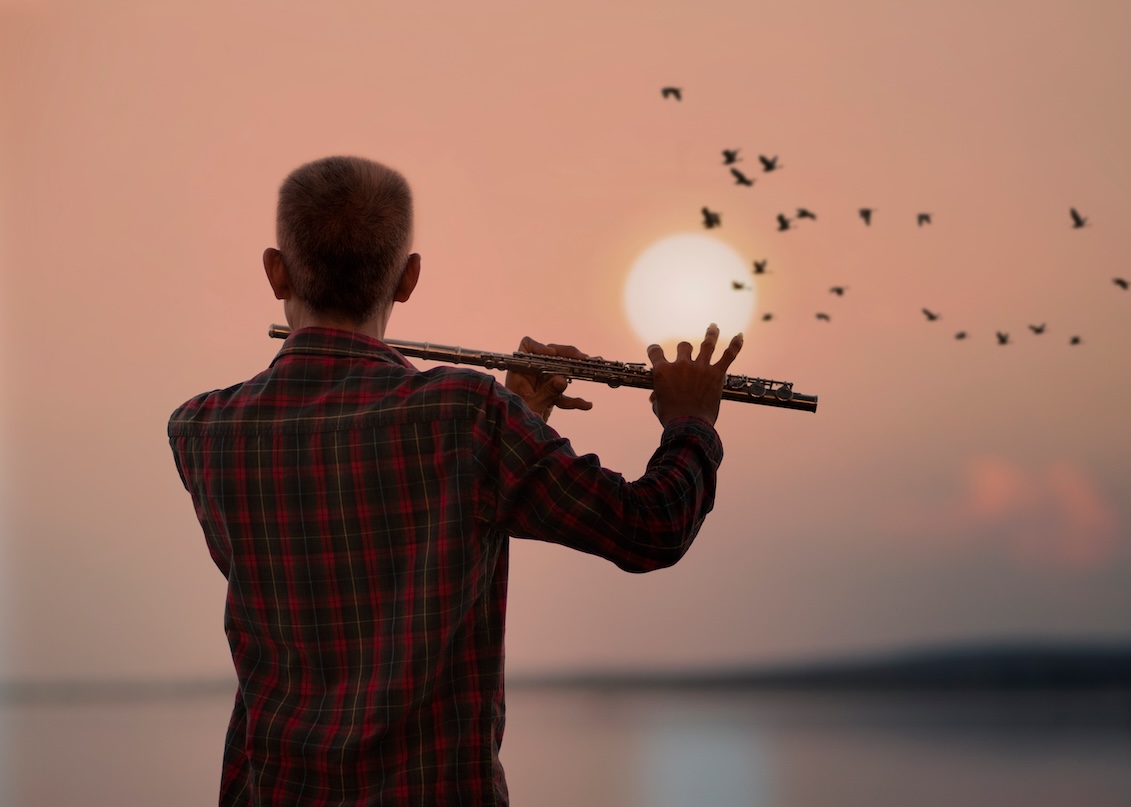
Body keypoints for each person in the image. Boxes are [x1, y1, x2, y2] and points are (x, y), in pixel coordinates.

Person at [168, 155, 743, 806]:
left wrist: (519, 415)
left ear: (275, 271)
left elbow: (374, 505)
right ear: (408, 278)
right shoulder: (467, 417)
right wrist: (691, 420)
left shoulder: (202, 431)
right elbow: (652, 526)